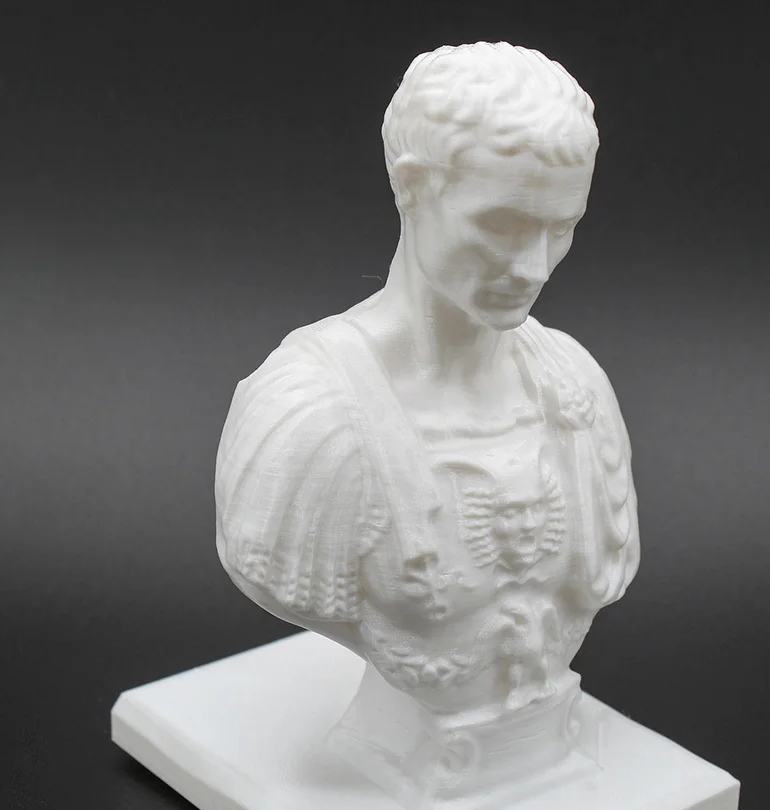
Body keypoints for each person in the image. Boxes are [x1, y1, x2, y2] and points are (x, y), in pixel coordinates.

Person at [216, 41, 639, 729]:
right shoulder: (311, 414)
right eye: (501, 225)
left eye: (561, 228)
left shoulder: (575, 392)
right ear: (413, 185)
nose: (534, 267)